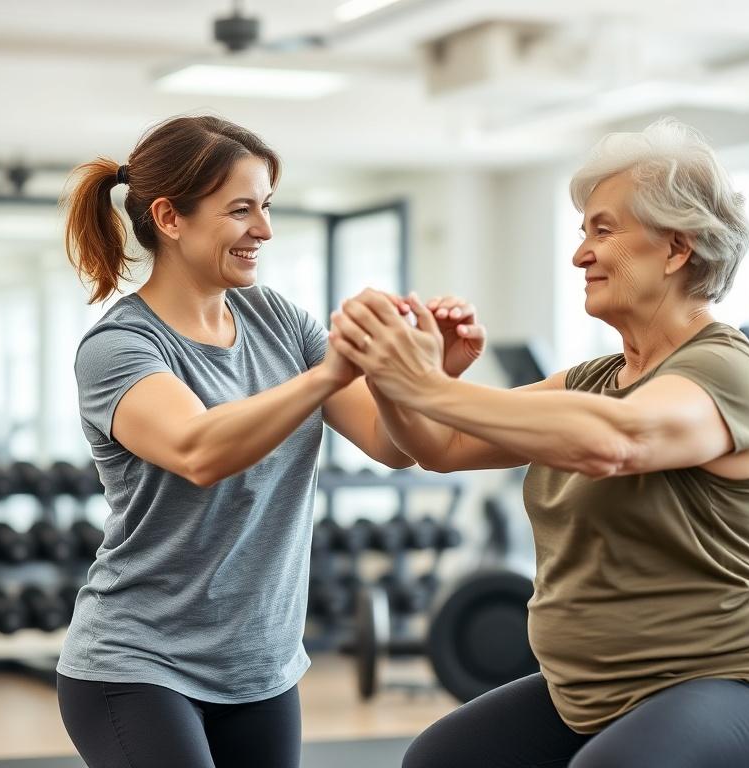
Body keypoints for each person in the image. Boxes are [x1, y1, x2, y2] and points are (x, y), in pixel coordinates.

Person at [330, 118, 749, 768]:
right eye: (582, 233)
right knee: (438, 760)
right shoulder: (593, 379)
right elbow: (442, 446)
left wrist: (421, 382)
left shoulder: (725, 369)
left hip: (743, 678)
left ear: (676, 249)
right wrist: (404, 372)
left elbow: (614, 442)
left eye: (603, 230)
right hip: (595, 693)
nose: (580, 254)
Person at [55, 115, 481, 768]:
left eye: (268, 208)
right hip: (138, 665)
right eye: (242, 210)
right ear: (170, 218)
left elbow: (389, 443)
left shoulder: (278, 319)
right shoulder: (121, 347)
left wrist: (426, 373)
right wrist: (330, 372)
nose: (265, 230)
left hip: (262, 669)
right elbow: (199, 451)